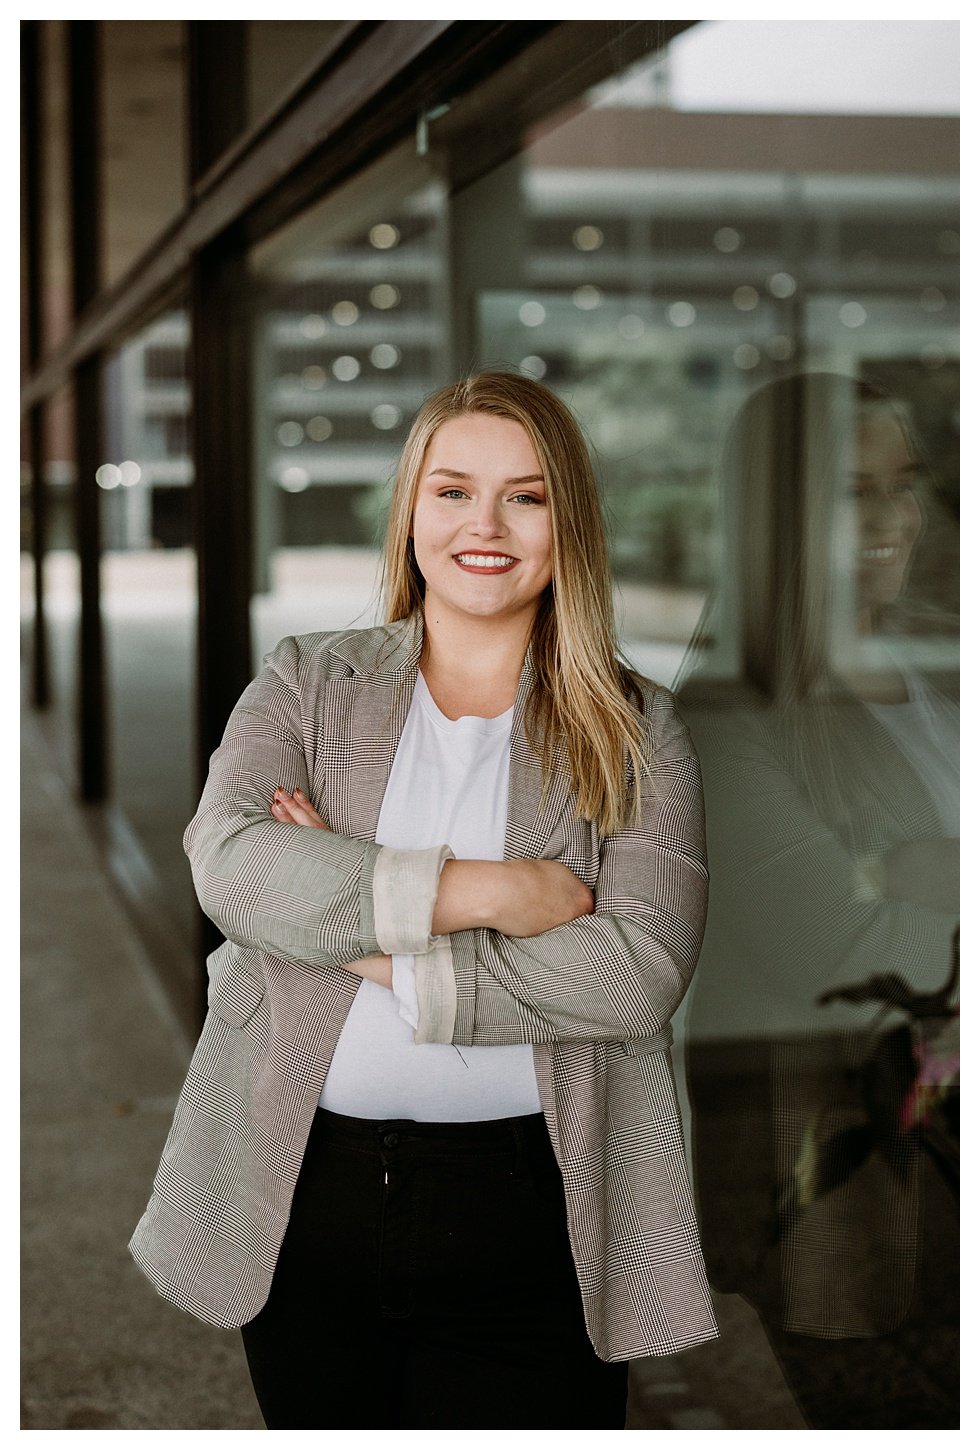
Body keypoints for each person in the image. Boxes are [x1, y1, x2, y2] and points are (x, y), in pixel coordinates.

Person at [129, 371, 718, 1430]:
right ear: (409, 510)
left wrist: (362, 941)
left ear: (566, 521)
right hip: (304, 1190)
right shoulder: (307, 681)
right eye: (450, 491)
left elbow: (635, 975)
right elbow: (228, 863)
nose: (481, 526)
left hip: (535, 1210)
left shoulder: (637, 727)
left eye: (524, 496)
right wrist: (491, 891)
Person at [679, 372, 959, 1429]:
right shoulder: (727, 710)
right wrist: (922, 880)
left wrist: (923, 873)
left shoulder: (943, 655)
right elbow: (839, 954)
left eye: (904, 484)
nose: (892, 518)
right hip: (856, 1176)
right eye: (851, 492)